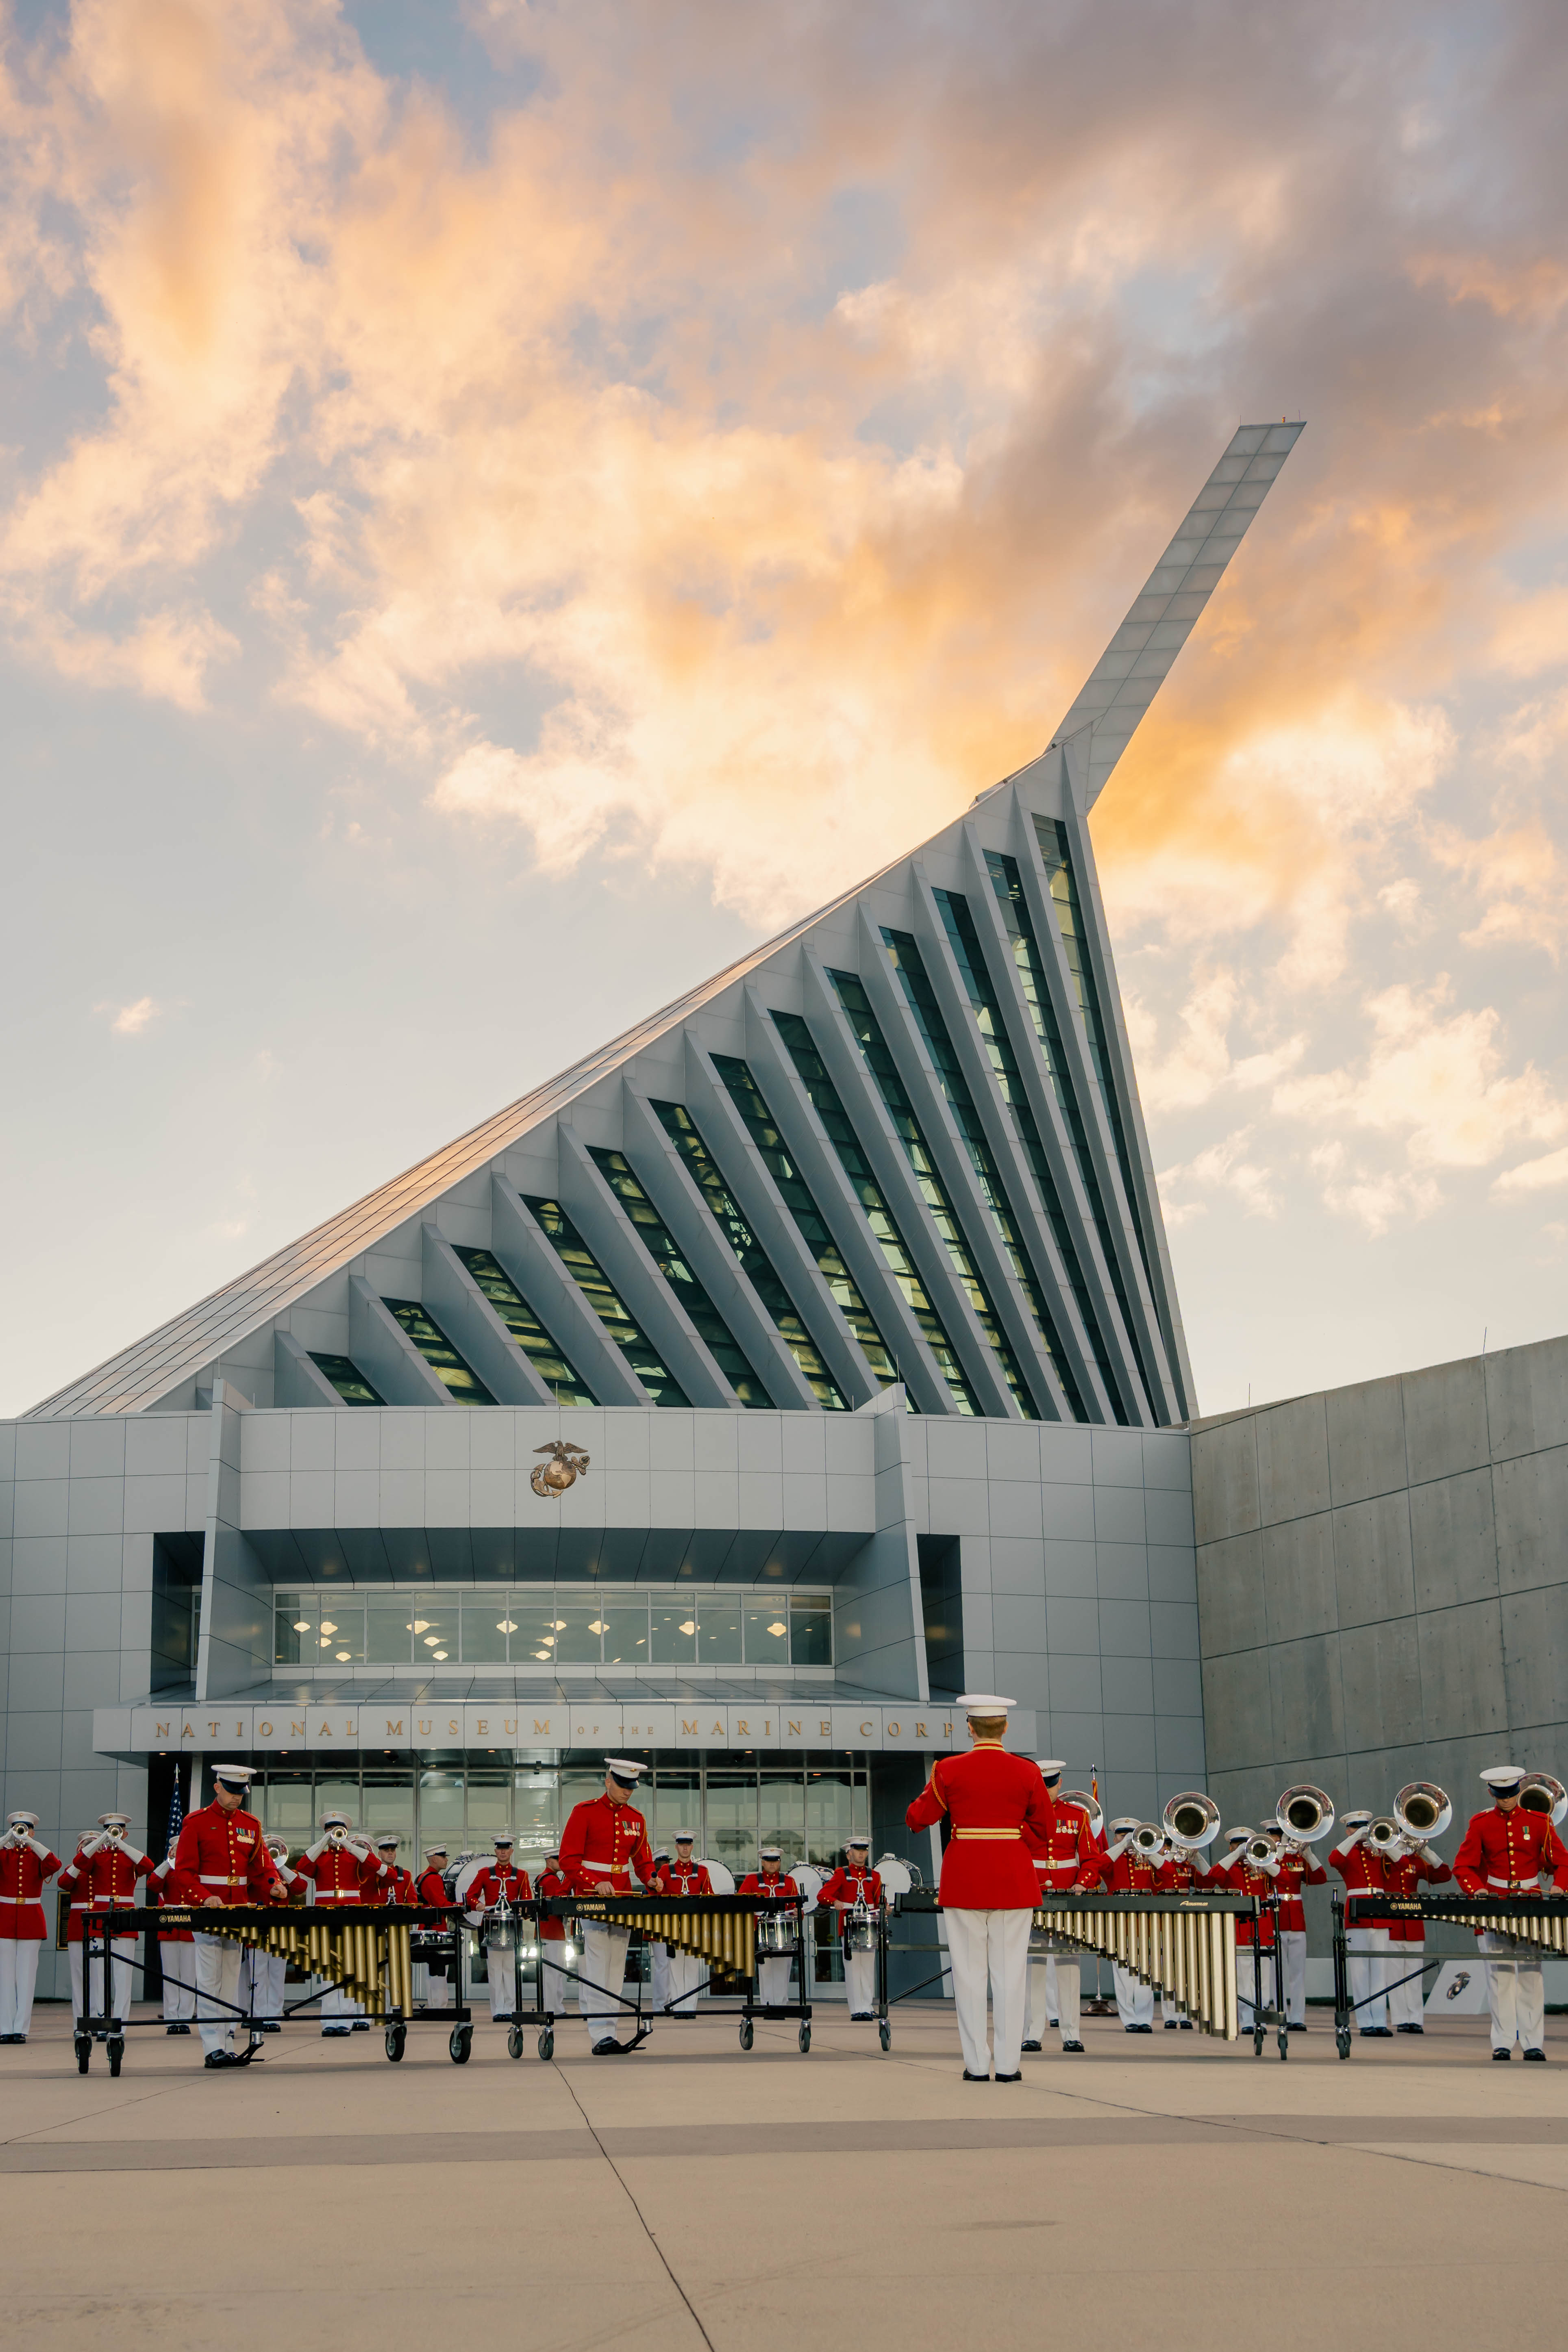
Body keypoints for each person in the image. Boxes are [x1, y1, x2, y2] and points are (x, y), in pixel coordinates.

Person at [905, 1693, 1054, 2082]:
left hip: (965, 1879)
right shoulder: (1027, 1771)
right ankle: (1008, 2066)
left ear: (969, 1728)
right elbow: (1045, 1832)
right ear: (1005, 1727)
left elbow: (917, 1818)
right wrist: (1009, 1833)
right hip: (1013, 1880)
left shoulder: (949, 1769)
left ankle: (975, 2065)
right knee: (1011, 1975)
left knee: (969, 1976)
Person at [172, 1763, 283, 2068]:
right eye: (232, 1791)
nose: (237, 1798)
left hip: (238, 1911)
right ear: (218, 1787)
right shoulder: (195, 1822)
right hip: (208, 1910)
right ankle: (211, 2046)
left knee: (232, 1979)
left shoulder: (251, 1824)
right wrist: (204, 1897)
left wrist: (274, 1885)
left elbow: (261, 1867)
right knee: (210, 1979)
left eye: (241, 1793)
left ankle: (228, 2042)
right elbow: (183, 1872)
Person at [1454, 1766, 1568, 2061]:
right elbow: (1462, 1866)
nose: (1505, 1800)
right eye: (1500, 1795)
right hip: (1495, 1902)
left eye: (1510, 1794)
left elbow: (1563, 1862)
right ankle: (1502, 2042)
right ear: (1491, 1793)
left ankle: (1533, 2044)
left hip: (1531, 1903)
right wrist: (1476, 1890)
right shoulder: (1479, 1823)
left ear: (1518, 1791)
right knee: (1499, 1976)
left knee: (1531, 1975)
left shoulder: (1540, 1821)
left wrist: (1558, 1886)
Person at [559, 1757, 659, 2054]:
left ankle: (609, 2032)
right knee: (598, 1966)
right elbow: (568, 1860)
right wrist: (593, 1882)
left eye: (632, 1787)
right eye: (622, 1785)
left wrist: (653, 1878)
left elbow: (642, 1861)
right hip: (592, 1899)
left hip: (623, 1898)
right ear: (608, 1781)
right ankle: (599, 2033)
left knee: (616, 1969)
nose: (628, 1792)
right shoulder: (584, 1812)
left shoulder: (636, 1819)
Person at [1021, 1762, 1099, 2054]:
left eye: (1051, 1786)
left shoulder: (1077, 1815)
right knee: (1034, 1969)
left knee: (1068, 1969)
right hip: (1033, 1899)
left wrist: (1083, 1883)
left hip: (1068, 1900)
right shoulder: (1023, 1816)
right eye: (1042, 1787)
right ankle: (1032, 2033)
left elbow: (1091, 1858)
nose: (1048, 1792)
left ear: (1060, 1783)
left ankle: (1071, 2034)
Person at [289, 1809, 388, 2035]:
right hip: (325, 1915)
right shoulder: (319, 1857)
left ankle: (346, 2019)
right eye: (329, 1831)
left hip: (351, 1914)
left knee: (349, 1968)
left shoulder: (354, 1855)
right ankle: (329, 2021)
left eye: (337, 1831)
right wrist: (324, 1841)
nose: (334, 1835)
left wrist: (351, 1846)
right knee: (328, 1969)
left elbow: (376, 1868)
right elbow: (303, 1868)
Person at [59, 1813, 154, 2035]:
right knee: (99, 1975)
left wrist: (120, 1843)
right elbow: (78, 1863)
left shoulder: (130, 1856)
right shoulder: (96, 1857)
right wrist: (101, 1841)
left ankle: (119, 2026)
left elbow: (148, 1865)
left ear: (125, 1832)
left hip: (126, 1918)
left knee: (123, 1977)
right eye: (111, 1830)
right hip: (100, 1918)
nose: (114, 1834)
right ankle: (101, 2023)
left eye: (118, 1830)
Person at [1380, 1831, 1451, 2035]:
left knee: (1414, 1975)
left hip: (1413, 1925)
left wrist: (1427, 1851)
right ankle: (1401, 2019)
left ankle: (1415, 2019)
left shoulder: (1416, 1861)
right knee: (1394, 1976)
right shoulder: (1384, 1858)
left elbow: (1445, 1875)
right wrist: (1394, 1847)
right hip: (1392, 1924)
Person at [0, 1810, 61, 2043]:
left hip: (31, 1920)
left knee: (26, 1977)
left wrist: (32, 1843)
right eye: (17, 1828)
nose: (21, 1833)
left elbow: (55, 1864)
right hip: (5, 1919)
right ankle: (5, 2028)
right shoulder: (4, 1855)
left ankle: (20, 2029)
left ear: (33, 1831)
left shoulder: (37, 1855)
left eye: (25, 1829)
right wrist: (7, 1839)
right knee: (5, 1977)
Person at [1329, 1810, 1391, 2037]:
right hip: (1357, 1913)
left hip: (1380, 1912)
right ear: (1348, 1830)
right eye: (1356, 1827)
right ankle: (1365, 2022)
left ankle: (1381, 2021)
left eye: (1365, 1827)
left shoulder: (1380, 1850)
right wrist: (1354, 1838)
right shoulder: (1348, 1851)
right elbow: (1334, 1860)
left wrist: (1382, 1839)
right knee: (1360, 1971)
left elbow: (1403, 1864)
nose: (1362, 1831)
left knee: (1380, 1971)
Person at [1264, 1817, 1326, 2034]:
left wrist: (1308, 1853)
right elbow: (1274, 1873)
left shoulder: (1297, 1858)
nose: (1279, 1839)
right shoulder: (1265, 1857)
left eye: (1281, 1835)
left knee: (1298, 1973)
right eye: (1275, 1836)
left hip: (1297, 1918)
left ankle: (1298, 2017)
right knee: (1277, 1972)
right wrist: (1279, 1849)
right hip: (1275, 1917)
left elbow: (1320, 1878)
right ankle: (1282, 2013)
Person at [1216, 1828, 1281, 2033]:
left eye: (1247, 1844)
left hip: (1263, 1927)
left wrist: (1264, 1860)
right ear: (1231, 1846)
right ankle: (1246, 2021)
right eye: (1238, 1844)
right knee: (1243, 1977)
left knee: (1262, 1977)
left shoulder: (1265, 1866)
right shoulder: (1230, 1869)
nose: (1244, 1848)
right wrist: (1236, 1855)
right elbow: (1212, 1877)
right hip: (1241, 1929)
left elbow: (1286, 1879)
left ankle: (1260, 2018)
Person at [1099, 1819, 1159, 2031]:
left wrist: (1149, 1850)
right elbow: (1100, 1866)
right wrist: (1122, 1847)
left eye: (1130, 1836)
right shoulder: (1113, 1858)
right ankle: (1129, 2020)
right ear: (1115, 1838)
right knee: (1124, 1974)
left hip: (1145, 1924)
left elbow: (1168, 1875)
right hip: (1119, 1924)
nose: (1126, 1839)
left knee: (1146, 1974)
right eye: (1120, 1836)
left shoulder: (1149, 1857)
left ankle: (1144, 2019)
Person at [467, 1833, 531, 2023]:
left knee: (510, 1969)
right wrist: (477, 1905)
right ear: (496, 1851)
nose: (503, 1852)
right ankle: (497, 2010)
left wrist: (524, 1911)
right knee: (495, 1970)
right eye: (500, 1848)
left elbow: (526, 1902)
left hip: (511, 1926)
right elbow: (470, 1896)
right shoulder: (485, 1873)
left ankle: (511, 2009)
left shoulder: (522, 1875)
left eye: (506, 1848)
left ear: (511, 1851)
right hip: (491, 1926)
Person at [817, 1836, 883, 2021]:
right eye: (857, 1851)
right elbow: (822, 1895)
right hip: (849, 1927)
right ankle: (856, 2009)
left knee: (868, 1970)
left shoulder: (875, 1876)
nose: (861, 1854)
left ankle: (867, 2006)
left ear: (867, 1853)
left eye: (864, 1850)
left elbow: (878, 1901)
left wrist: (886, 1909)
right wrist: (836, 1901)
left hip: (869, 1926)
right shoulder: (841, 1874)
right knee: (854, 1970)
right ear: (849, 1854)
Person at [1155, 1834, 1211, 2028]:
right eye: (1167, 1846)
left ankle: (1186, 2014)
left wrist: (1198, 1857)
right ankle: (1170, 2015)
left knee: (1188, 1970)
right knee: (1167, 1971)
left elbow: (1209, 1881)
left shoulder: (1188, 1868)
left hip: (1186, 1921)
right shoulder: (1157, 1865)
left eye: (1173, 1846)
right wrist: (1171, 1854)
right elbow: (1163, 1870)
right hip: (1165, 1921)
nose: (1170, 1849)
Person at [740, 1844, 802, 2009]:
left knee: (782, 1972)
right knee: (766, 1971)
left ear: (780, 1862)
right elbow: (741, 1904)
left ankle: (781, 2006)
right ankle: (767, 2005)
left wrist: (797, 1912)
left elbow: (798, 1909)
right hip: (761, 1932)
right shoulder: (751, 1880)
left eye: (775, 1861)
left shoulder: (789, 1881)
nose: (772, 1864)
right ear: (763, 1862)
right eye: (769, 1861)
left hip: (784, 1933)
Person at [659, 1834, 712, 2015]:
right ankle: (678, 2007)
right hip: (673, 1926)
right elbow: (657, 1896)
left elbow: (709, 1897)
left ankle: (690, 2008)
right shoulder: (666, 1870)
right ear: (676, 1848)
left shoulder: (702, 1871)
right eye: (681, 1845)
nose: (684, 1849)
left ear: (692, 1847)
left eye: (688, 1845)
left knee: (691, 1969)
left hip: (694, 1927)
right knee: (674, 1969)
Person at [149, 1846, 195, 2035]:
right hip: (169, 1927)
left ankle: (185, 2018)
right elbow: (153, 1884)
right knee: (170, 1976)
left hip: (190, 1927)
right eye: (175, 1850)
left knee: (189, 1976)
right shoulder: (168, 1871)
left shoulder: (194, 1870)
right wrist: (168, 1862)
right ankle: (171, 2019)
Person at [535, 1848, 574, 2023]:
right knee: (554, 1972)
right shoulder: (551, 1880)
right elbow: (560, 1901)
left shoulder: (544, 1878)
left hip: (548, 1930)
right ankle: (554, 2007)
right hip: (552, 1931)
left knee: (553, 1972)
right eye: (558, 1859)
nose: (560, 1862)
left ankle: (554, 2006)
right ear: (549, 1861)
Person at [414, 1842, 454, 2012]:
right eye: (443, 1857)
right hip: (436, 1928)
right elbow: (441, 1904)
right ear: (433, 1859)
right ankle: (439, 2005)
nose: (446, 1860)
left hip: (426, 1926)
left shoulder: (422, 1877)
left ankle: (434, 2003)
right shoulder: (434, 1878)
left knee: (432, 1970)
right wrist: (460, 1906)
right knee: (439, 1969)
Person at [646, 1854, 672, 2018]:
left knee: (669, 1967)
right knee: (663, 1966)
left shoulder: (667, 1877)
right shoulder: (652, 1881)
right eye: (662, 1863)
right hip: (658, 1928)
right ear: (654, 1865)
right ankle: (660, 2005)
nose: (665, 1866)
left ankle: (669, 2002)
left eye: (667, 1863)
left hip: (671, 1927)